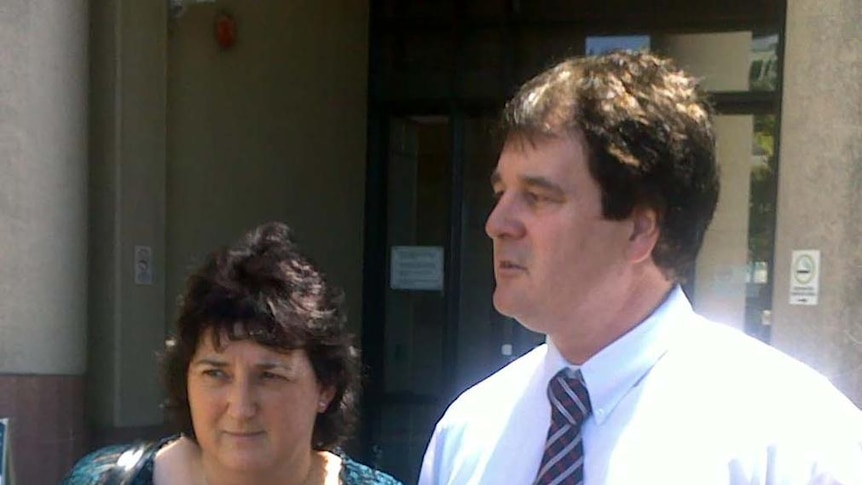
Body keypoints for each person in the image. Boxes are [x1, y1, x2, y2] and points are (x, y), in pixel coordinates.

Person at [418, 51, 862, 485]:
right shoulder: (469, 432)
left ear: (639, 229)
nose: (496, 224)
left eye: (537, 197)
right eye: (501, 193)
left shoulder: (793, 441)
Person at [63, 222, 404, 485]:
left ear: (325, 387)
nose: (240, 408)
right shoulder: (105, 481)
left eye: (269, 376)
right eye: (216, 373)